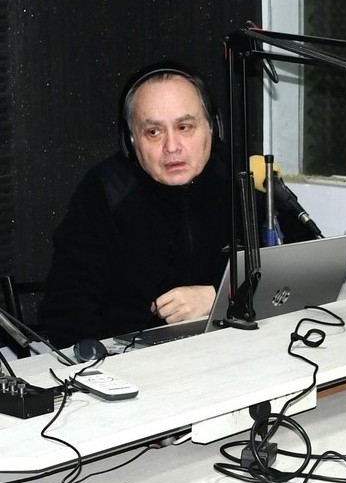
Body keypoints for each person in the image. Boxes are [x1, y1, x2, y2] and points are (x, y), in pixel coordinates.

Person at [39, 61, 306, 347]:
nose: (172, 147)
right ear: (131, 140)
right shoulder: (105, 191)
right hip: (137, 359)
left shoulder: (243, 177)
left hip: (239, 348)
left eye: (184, 127)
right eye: (154, 132)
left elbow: (309, 272)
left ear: (213, 128)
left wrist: (222, 296)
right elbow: (65, 312)